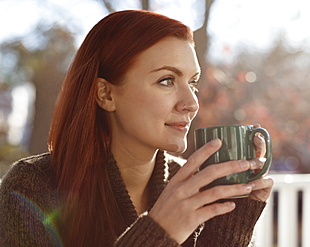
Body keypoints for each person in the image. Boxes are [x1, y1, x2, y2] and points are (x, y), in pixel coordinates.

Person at [0, 10, 274, 247]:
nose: (191, 103)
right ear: (105, 94)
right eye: (167, 80)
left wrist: (231, 224)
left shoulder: (192, 188)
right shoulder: (32, 186)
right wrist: (158, 232)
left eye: (193, 83)